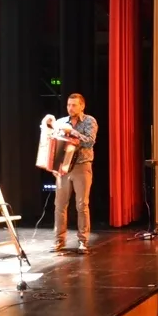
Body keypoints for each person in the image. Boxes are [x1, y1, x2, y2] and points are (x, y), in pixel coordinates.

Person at [43, 93, 98, 254]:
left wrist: (72, 132)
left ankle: (83, 241)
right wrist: (53, 167)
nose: (70, 108)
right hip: (64, 169)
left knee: (82, 205)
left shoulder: (89, 121)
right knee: (59, 206)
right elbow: (53, 144)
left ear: (82, 106)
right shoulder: (61, 122)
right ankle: (59, 241)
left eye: (74, 105)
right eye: (68, 105)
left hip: (82, 166)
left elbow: (89, 141)